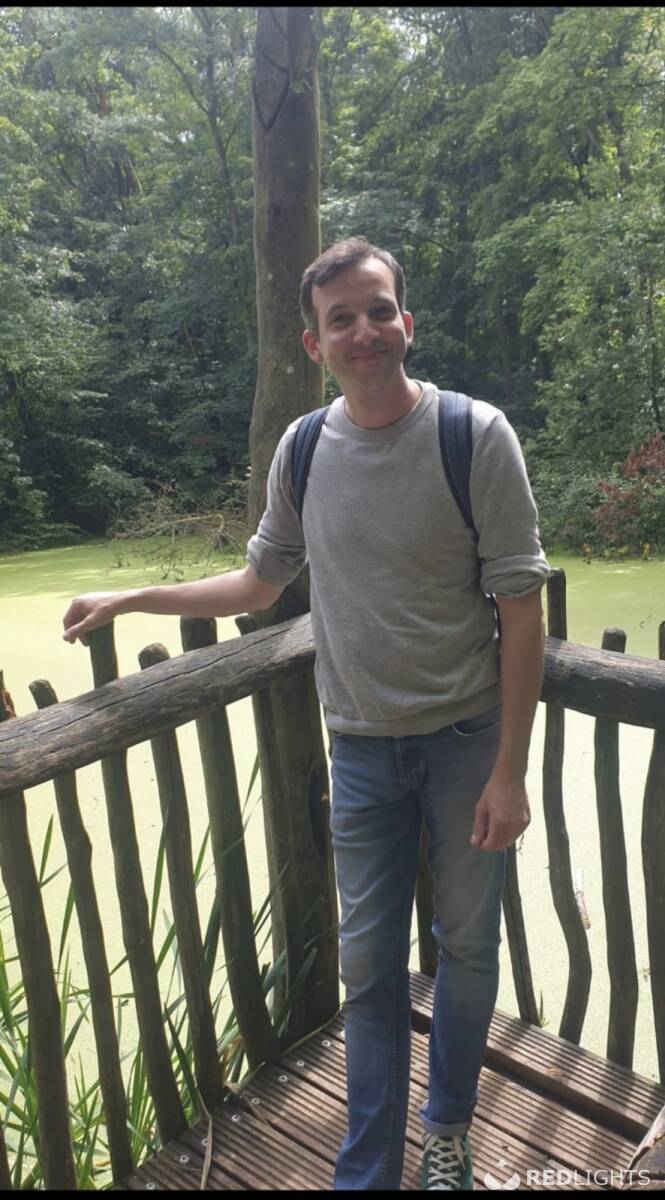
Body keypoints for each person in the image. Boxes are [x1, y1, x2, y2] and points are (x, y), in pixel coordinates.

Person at [63, 236, 550, 1191]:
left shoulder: (473, 434)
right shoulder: (301, 448)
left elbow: (521, 608)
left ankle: (446, 1131)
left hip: (466, 745)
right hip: (360, 750)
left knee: (466, 948)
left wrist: (509, 771)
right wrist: (130, 599)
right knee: (366, 971)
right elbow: (258, 583)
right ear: (313, 343)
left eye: (378, 310)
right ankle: (366, 1171)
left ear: (405, 321)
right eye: (341, 319)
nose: (363, 330)